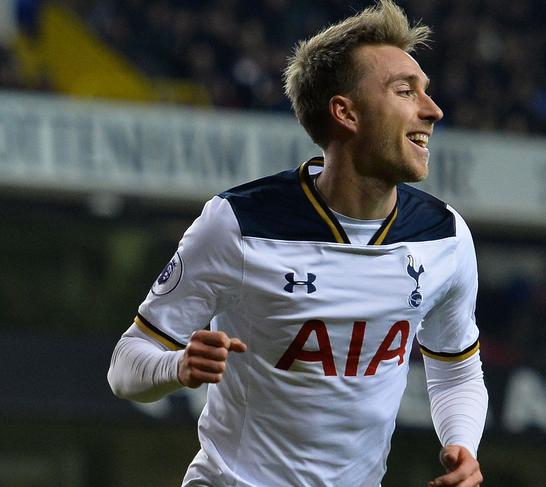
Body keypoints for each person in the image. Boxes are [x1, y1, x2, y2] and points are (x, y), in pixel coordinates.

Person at [107, 1, 488, 486]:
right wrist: (178, 366)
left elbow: (456, 369)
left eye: (426, 93)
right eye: (405, 91)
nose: (432, 111)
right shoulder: (239, 223)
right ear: (345, 112)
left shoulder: (445, 237)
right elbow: (125, 368)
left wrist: (461, 445)